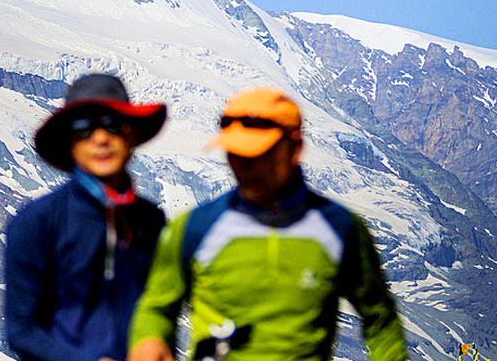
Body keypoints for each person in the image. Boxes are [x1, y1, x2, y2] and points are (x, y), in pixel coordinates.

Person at [127, 87, 408, 361]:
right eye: (235, 152)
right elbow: (156, 305)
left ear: (295, 148)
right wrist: (149, 340)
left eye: (258, 153)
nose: (244, 164)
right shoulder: (194, 227)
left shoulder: (340, 228)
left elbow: (380, 318)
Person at [4, 73, 169, 361]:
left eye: (112, 125)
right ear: (71, 142)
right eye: (83, 128)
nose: (100, 138)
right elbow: (21, 330)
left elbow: (161, 306)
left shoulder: (150, 221)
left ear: (130, 134)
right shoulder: (37, 222)